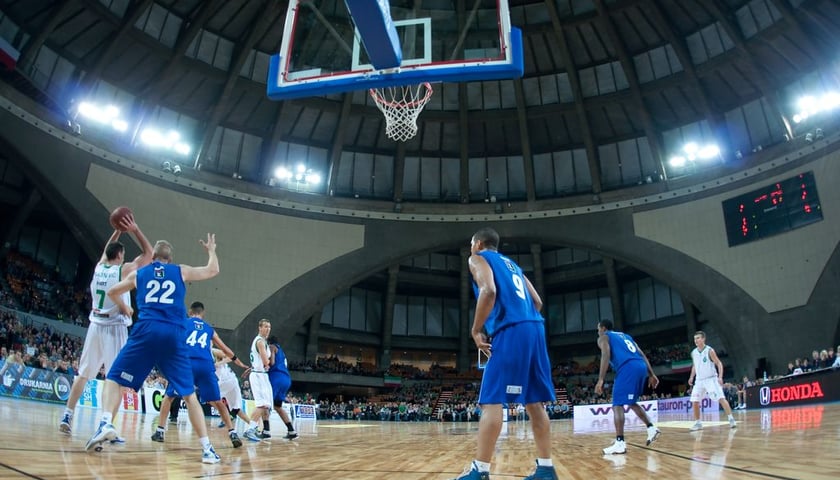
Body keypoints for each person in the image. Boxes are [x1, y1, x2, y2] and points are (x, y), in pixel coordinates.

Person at [85, 235, 222, 464]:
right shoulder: (180, 271)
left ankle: (106, 422)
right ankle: (207, 450)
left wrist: (125, 308)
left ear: (154, 257)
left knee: (113, 378)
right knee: (189, 395)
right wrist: (211, 250)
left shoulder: (139, 273)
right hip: (174, 334)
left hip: (146, 331)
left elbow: (112, 291)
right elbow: (212, 270)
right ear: (169, 259)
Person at [452, 227, 558, 480]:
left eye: (471, 244)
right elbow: (538, 302)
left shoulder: (477, 259)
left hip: (512, 331)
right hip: (536, 328)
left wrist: (477, 330)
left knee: (491, 400)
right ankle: (546, 469)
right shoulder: (513, 266)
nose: (470, 249)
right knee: (534, 402)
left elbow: (488, 291)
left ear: (478, 244)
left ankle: (481, 471)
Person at [59, 214, 153, 435]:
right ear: (120, 255)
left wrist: (118, 230)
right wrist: (135, 229)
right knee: (115, 379)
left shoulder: (99, 267)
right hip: (114, 327)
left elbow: (105, 251)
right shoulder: (122, 271)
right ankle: (105, 423)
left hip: (95, 326)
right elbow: (149, 254)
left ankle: (67, 414)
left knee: (83, 374)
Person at [151, 301, 249, 448]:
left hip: (187, 365)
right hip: (205, 366)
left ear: (190, 312)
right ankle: (232, 432)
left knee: (169, 397)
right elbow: (225, 349)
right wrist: (238, 362)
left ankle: (160, 431)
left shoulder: (183, 323)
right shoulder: (209, 329)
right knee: (218, 402)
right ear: (202, 314)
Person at [594, 319, 660, 455]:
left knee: (617, 404)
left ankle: (620, 443)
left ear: (603, 328)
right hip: (640, 366)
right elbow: (642, 355)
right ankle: (651, 428)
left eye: (598, 329)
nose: (598, 331)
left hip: (627, 368)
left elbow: (605, 355)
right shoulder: (626, 336)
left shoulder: (603, 337)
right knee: (630, 402)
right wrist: (651, 374)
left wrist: (600, 379)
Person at [687, 331, 736, 431]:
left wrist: (720, 377)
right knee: (694, 401)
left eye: (698, 338)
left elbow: (719, 363)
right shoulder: (693, 352)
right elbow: (694, 366)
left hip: (711, 379)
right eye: (695, 338)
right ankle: (698, 423)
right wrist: (691, 377)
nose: (696, 340)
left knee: (721, 398)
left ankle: (731, 419)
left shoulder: (710, 350)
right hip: (699, 381)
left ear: (703, 339)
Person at [211, 347, 258, 438]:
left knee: (209, 398)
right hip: (226, 381)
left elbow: (229, 357)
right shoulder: (198, 354)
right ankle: (253, 425)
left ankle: (227, 416)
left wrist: (218, 364)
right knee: (236, 409)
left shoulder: (213, 351)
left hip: (227, 380)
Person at [245, 319, 274, 439]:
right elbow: (266, 362)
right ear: (259, 328)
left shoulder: (261, 341)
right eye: (265, 326)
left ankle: (266, 430)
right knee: (262, 404)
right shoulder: (260, 342)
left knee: (266, 405)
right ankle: (250, 429)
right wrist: (272, 355)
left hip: (259, 374)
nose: (268, 329)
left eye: (269, 327)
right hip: (259, 375)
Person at [267, 335, 298, 439]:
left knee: (265, 404)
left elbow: (272, 362)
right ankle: (291, 431)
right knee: (278, 406)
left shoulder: (272, 347)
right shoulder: (281, 351)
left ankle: (265, 431)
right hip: (286, 379)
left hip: (276, 378)